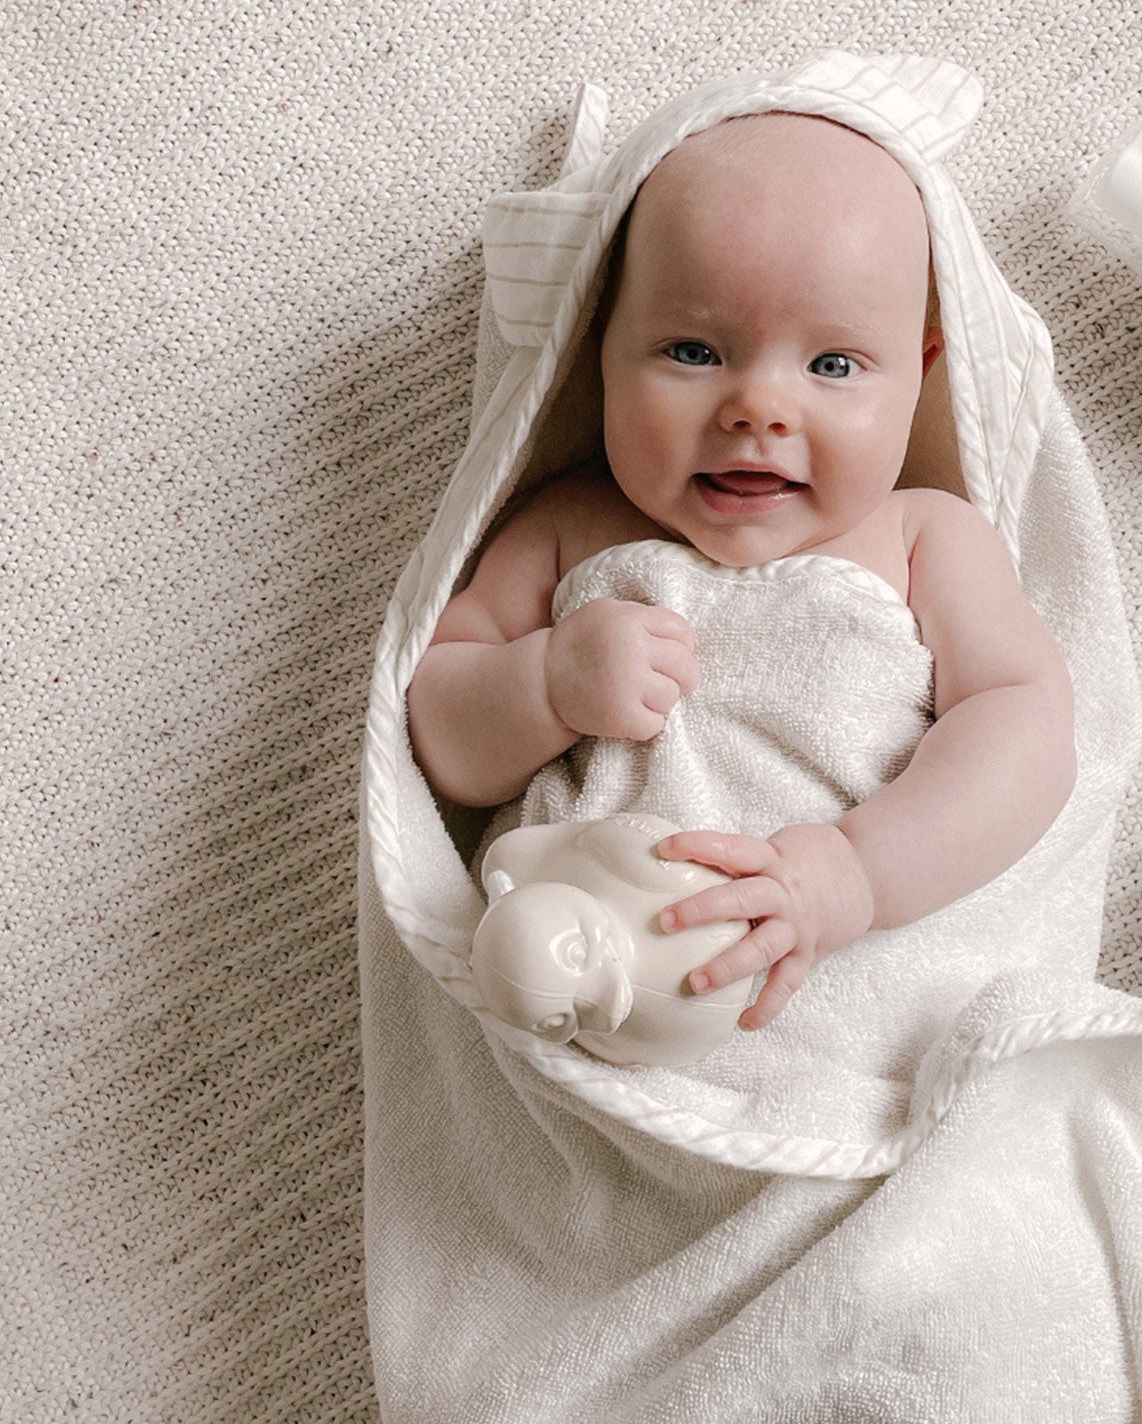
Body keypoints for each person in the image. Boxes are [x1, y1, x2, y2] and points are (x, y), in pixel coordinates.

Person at [407, 111, 1076, 1033]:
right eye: (692, 351)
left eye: (833, 364)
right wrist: (546, 680)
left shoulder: (926, 538)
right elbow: (438, 732)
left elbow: (1026, 729)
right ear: (598, 349)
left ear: (919, 378)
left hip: (838, 1016)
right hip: (573, 981)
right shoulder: (568, 525)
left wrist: (859, 872)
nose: (758, 407)